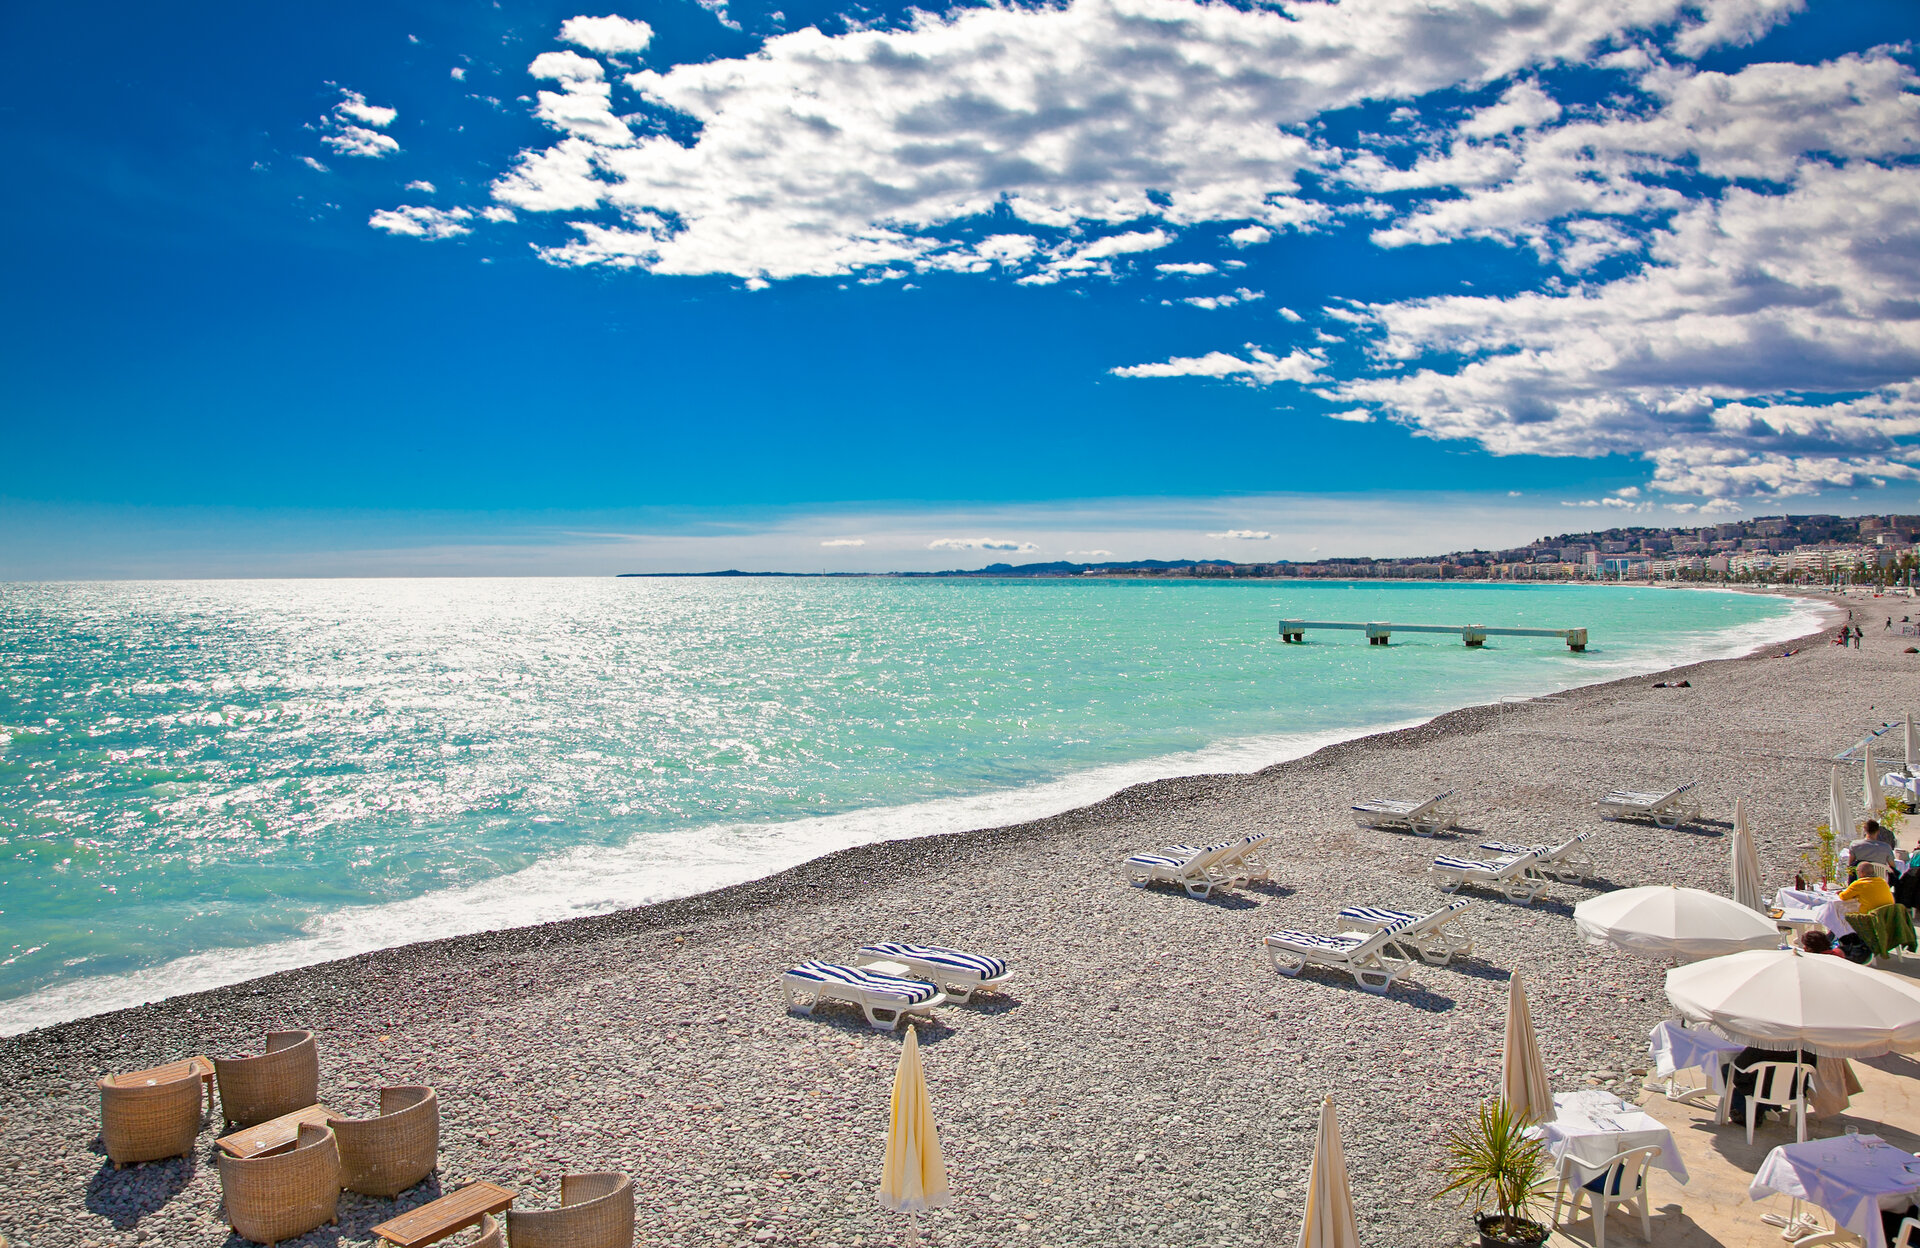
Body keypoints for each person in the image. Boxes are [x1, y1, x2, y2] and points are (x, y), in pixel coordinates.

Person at [1726, 1046, 1807, 1125]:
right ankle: (1763, 1109)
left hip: (1763, 1091)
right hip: (1794, 1092)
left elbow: (1740, 1063)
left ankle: (1744, 1112)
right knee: (1767, 1079)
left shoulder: (1764, 1044)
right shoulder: (1807, 1048)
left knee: (1727, 1069)